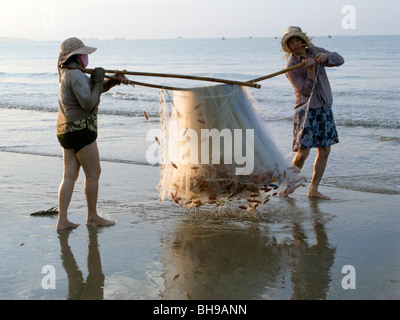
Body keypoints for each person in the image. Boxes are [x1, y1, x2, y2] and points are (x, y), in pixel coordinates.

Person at [56, 37, 129, 230]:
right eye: (84, 54)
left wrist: (111, 81)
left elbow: (90, 92)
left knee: (69, 176)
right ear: (77, 56)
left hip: (66, 130)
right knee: (94, 173)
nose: (86, 57)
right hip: (81, 130)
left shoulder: (67, 72)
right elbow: (88, 103)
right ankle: (92, 217)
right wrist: (97, 79)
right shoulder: (76, 75)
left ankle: (62, 220)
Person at [281, 26, 344, 200]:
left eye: (297, 40)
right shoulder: (292, 65)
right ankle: (288, 187)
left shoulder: (316, 51)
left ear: (303, 40)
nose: (295, 44)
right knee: (303, 153)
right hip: (305, 110)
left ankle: (313, 189)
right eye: (291, 42)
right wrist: (310, 71)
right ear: (288, 46)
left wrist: (327, 57)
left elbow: (340, 59)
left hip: (324, 107)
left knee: (324, 150)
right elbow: (305, 91)